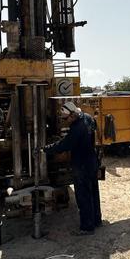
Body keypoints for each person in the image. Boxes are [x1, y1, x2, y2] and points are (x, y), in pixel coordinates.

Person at [43, 101, 100, 235]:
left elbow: (64, 145)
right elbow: (95, 128)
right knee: (93, 192)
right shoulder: (88, 117)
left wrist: (45, 149)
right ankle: (97, 220)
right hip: (92, 160)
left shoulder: (76, 127)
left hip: (81, 164)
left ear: (72, 115)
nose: (64, 121)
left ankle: (87, 228)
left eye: (65, 118)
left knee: (83, 196)